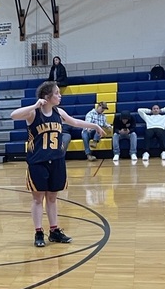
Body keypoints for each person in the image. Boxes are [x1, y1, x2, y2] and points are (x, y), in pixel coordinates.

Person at [10, 81, 105, 247]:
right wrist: (34, 105)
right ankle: (38, 232)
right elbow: (13, 115)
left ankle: (54, 231)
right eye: (57, 93)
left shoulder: (58, 112)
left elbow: (74, 122)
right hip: (38, 162)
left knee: (52, 198)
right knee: (38, 199)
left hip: (57, 160)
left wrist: (94, 125)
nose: (60, 96)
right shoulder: (33, 114)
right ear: (47, 96)